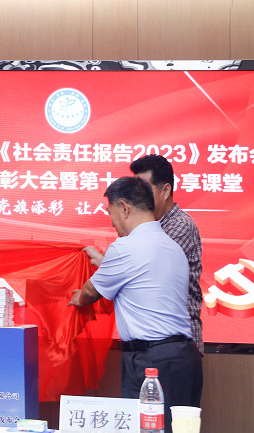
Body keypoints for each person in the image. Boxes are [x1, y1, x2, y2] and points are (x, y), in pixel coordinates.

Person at [68, 176, 202, 433]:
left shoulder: (125, 247)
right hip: (184, 357)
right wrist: (104, 262)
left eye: (111, 213)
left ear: (124, 208)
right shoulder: (173, 247)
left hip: (153, 361)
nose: (112, 222)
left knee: (148, 429)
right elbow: (140, 276)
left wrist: (77, 297)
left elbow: (90, 292)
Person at [130, 155, 204, 356]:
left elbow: (145, 268)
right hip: (154, 342)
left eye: (145, 191)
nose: (138, 199)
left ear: (166, 190)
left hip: (177, 344)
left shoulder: (180, 225)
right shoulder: (147, 227)